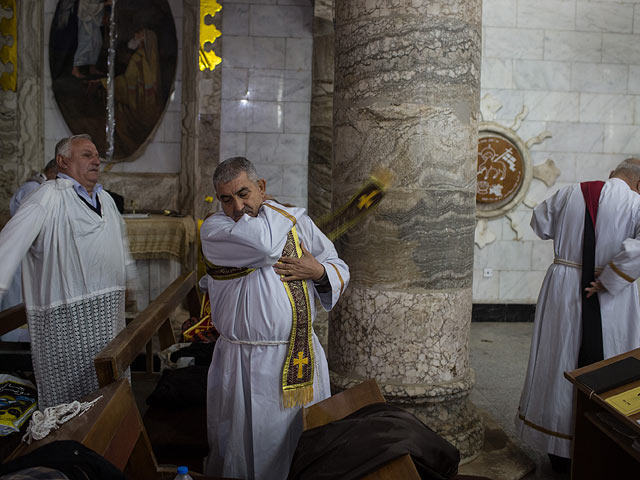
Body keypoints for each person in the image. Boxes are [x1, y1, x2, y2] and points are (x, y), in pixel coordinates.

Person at [200, 157, 349, 480]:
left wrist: (319, 271)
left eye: (244, 193)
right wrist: (285, 210)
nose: (237, 206)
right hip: (244, 363)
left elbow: (337, 263)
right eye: (227, 198)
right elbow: (265, 246)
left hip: (299, 355)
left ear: (262, 187)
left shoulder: (295, 224)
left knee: (300, 446)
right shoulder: (216, 230)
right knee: (246, 450)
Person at [515, 158, 640, 472]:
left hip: (564, 284)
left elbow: (539, 224)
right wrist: (609, 279)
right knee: (612, 358)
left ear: (612, 175)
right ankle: (605, 443)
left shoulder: (569, 192)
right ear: (638, 184)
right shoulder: (636, 203)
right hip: (609, 294)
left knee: (559, 356)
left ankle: (557, 446)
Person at [0, 134, 135, 409]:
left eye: (96, 155)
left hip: (109, 322)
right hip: (67, 329)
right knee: (71, 411)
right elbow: (7, 247)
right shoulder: (47, 197)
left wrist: (130, 277)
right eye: (87, 155)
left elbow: (121, 243)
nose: (96, 160)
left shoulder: (105, 199)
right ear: (63, 161)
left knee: (110, 403)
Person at [0, 160, 60, 340]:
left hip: (27, 253)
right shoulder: (33, 189)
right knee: (16, 303)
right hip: (23, 253)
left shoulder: (37, 187)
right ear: (52, 171)